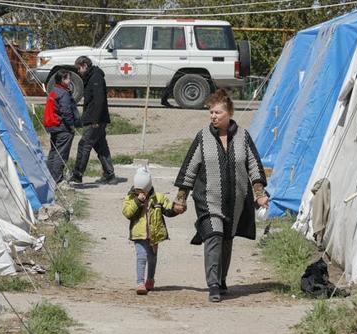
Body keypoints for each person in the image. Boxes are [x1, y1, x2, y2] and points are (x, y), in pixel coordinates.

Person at [173, 89, 269, 302]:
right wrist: (181, 199)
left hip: (235, 202)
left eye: (217, 112)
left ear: (229, 113)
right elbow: (189, 168)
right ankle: (213, 284)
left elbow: (254, 165)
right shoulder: (203, 137)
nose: (213, 116)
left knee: (227, 239)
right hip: (208, 200)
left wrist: (259, 193)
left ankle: (222, 278)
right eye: (211, 113)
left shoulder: (243, 136)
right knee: (214, 235)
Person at [122, 166, 181, 294]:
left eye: (142, 191)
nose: (140, 193)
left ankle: (150, 279)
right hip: (139, 234)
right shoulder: (131, 198)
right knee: (141, 256)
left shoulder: (158, 198)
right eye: (137, 191)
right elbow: (127, 213)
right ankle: (140, 283)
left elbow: (168, 209)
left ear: (148, 188)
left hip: (154, 235)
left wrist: (176, 209)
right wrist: (137, 201)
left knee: (152, 258)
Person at [70, 56, 116, 184]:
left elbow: (99, 100)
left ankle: (77, 175)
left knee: (84, 145)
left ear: (84, 65)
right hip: (95, 118)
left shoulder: (96, 77)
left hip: (95, 120)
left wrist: (95, 120)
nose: (78, 71)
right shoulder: (91, 77)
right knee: (101, 146)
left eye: (79, 68)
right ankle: (109, 173)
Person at [43, 70, 81, 184]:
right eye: (68, 79)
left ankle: (50, 176)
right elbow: (66, 112)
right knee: (61, 154)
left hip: (54, 127)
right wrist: (71, 126)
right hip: (62, 127)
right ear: (62, 80)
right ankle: (58, 179)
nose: (70, 81)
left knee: (54, 152)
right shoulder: (63, 93)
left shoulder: (54, 90)